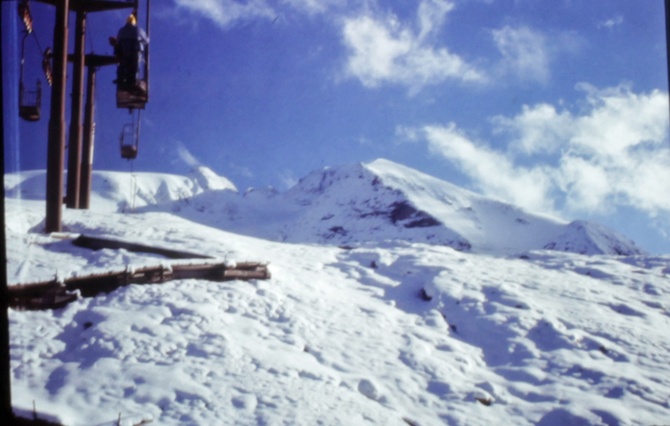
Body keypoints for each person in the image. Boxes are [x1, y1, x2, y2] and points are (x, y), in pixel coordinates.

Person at [112, 14, 149, 91]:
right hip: (136, 50)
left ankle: (121, 79)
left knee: (123, 65)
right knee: (135, 67)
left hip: (125, 50)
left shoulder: (121, 30)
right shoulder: (139, 29)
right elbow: (146, 40)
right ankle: (133, 82)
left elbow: (118, 42)